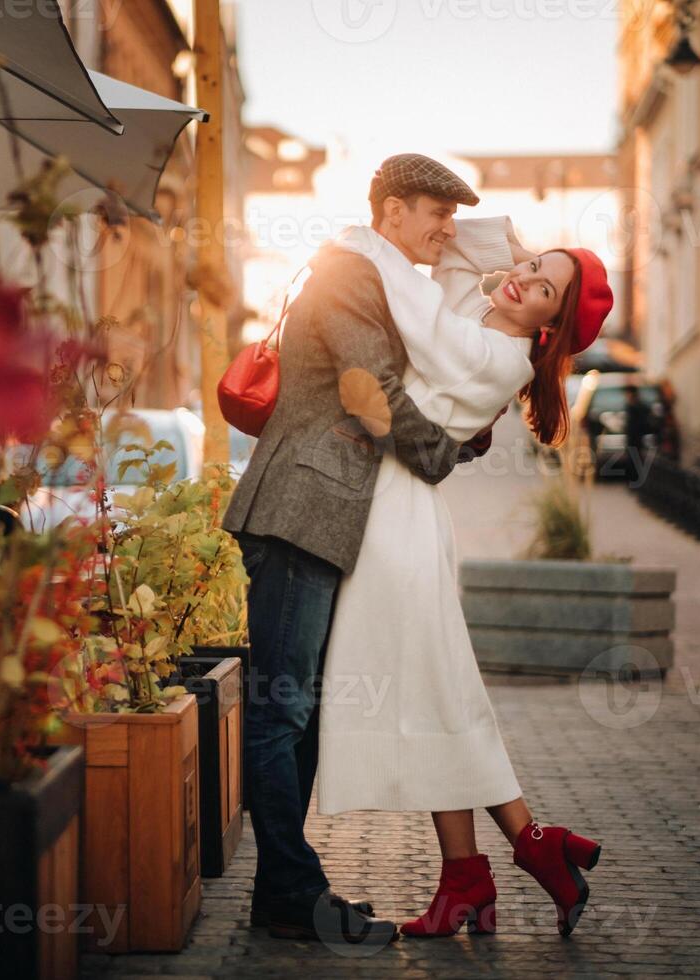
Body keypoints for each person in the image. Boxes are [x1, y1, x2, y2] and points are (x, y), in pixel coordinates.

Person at [311, 156, 612, 940]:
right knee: (438, 694)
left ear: (547, 328)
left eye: (541, 290)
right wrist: (523, 255)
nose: (520, 280)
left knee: (434, 695)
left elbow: (412, 292)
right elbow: (455, 253)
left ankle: (505, 859)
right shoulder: (474, 315)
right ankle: (490, 866)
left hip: (398, 526)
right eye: (530, 269)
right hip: (396, 516)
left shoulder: (493, 355)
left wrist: (359, 238)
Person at [221, 154, 480, 946]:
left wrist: (462, 428)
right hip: (300, 506)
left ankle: (282, 895)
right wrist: (438, 452)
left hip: (322, 516)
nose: (446, 228)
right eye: (436, 212)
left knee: (297, 714)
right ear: (392, 211)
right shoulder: (348, 274)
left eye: (452, 215)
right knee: (281, 710)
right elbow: (370, 391)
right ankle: (294, 893)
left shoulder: (382, 281)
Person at [624, 385, 653, 486]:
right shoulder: (631, 406)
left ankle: (636, 481)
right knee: (633, 460)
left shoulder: (637, 407)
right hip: (633, 438)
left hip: (636, 438)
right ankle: (633, 481)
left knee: (636, 460)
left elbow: (642, 423)